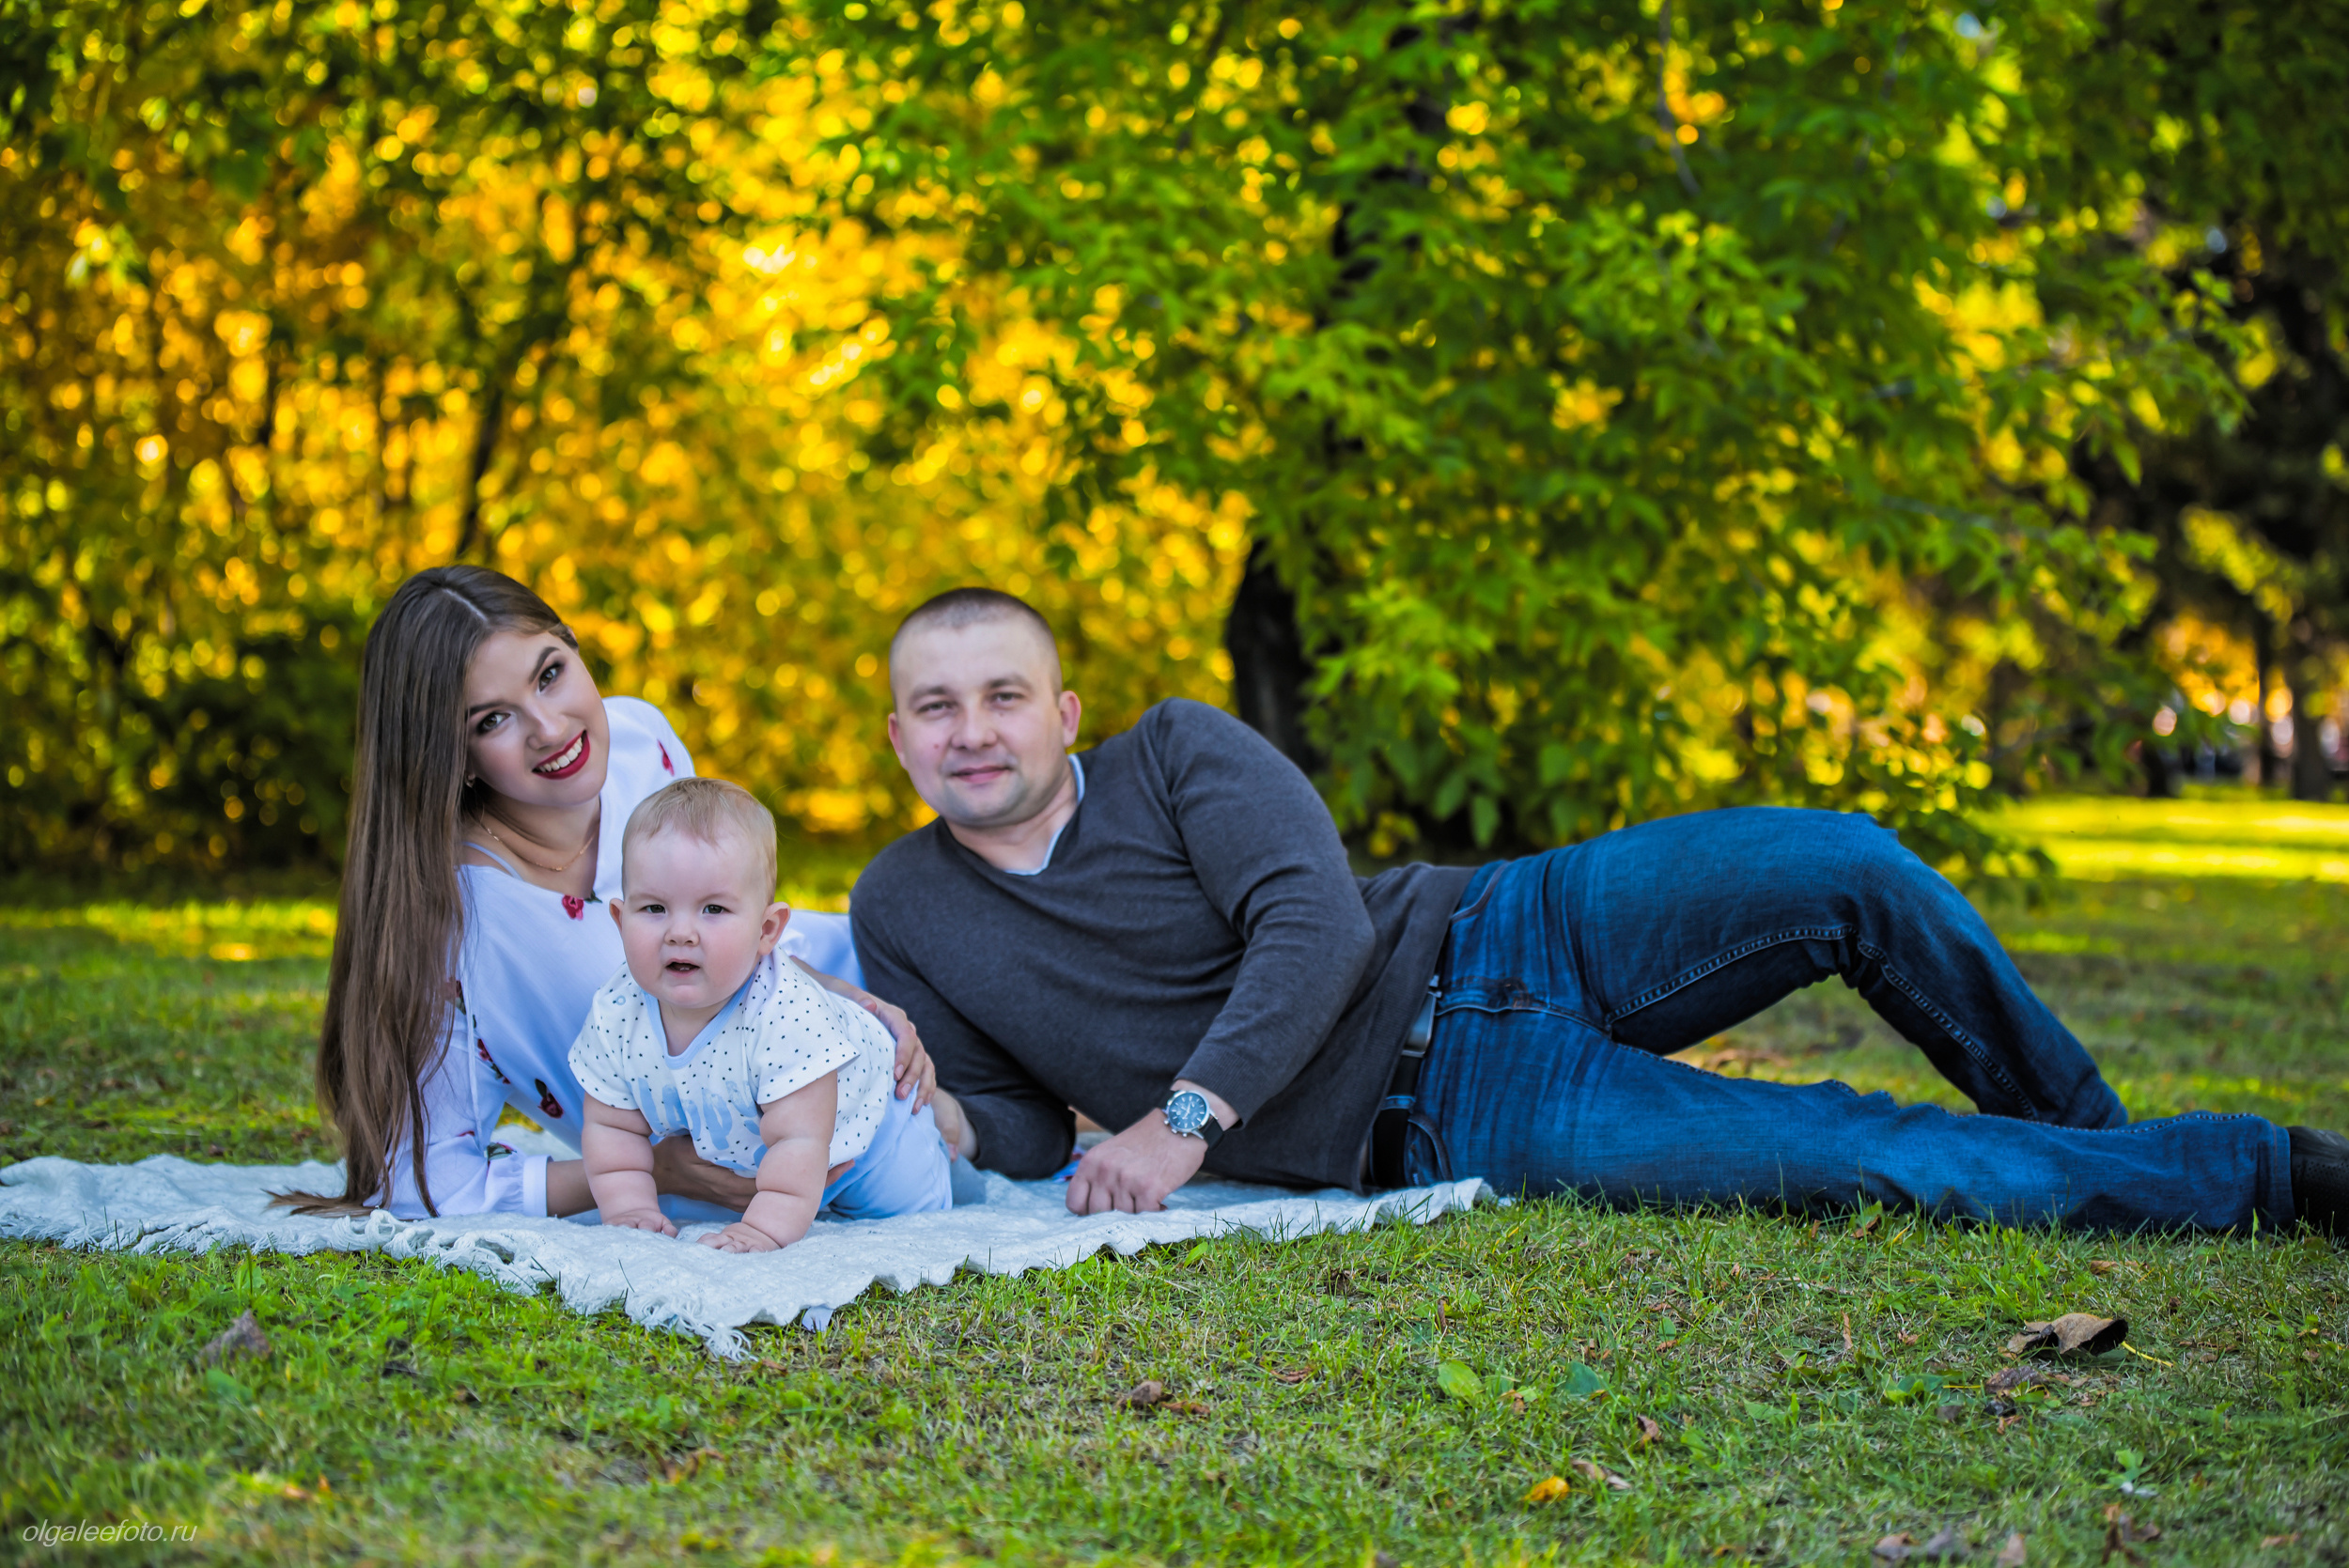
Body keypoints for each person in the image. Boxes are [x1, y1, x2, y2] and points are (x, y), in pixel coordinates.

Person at [850, 585, 2349, 1235]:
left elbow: (1314, 924)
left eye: (1003, 695)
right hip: (1453, 1114)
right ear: (900, 736)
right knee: (1868, 1155)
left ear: (1066, 710)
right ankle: (2269, 1177)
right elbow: (1020, 1127)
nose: (974, 731)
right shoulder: (898, 902)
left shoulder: (1179, 748)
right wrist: (920, 1091)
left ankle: (2101, 1143)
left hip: (1508, 922)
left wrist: (1185, 1120)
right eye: (937, 707)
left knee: (1851, 866)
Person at [282, 566, 935, 1220]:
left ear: (573, 645)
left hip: (838, 1028)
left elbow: (731, 928)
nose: (548, 727)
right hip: (746, 1174)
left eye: (550, 673)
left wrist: (848, 998)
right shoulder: (451, 925)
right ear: (450, 753)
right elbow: (422, 1183)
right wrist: (655, 1169)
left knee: (938, 987)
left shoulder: (638, 743)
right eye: (493, 720)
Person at [572, 777, 960, 1250]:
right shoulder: (616, 1014)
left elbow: (800, 1142)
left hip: (872, 1126)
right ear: (620, 919)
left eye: (713, 909)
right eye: (654, 908)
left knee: (911, 1215)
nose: (680, 932)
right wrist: (630, 1208)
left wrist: (761, 1231)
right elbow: (611, 1128)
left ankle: (950, 1144)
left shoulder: (786, 1014)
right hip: (758, 1153)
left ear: (767, 930)